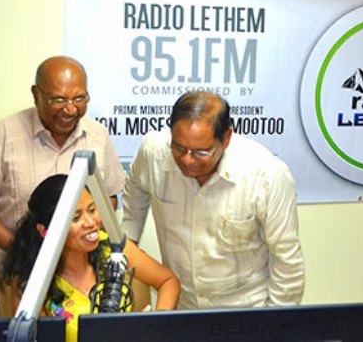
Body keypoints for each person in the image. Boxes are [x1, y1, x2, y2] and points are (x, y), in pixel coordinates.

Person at [0, 56, 125, 317]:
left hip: (80, 296)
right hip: (17, 287)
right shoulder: (1, 135)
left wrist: (83, 236)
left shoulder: (97, 135)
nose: (70, 109)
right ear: (36, 94)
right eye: (58, 100)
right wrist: (30, 253)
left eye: (79, 99)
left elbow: (110, 199)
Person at [121, 91, 305, 309]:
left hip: (245, 308)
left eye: (201, 152)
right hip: (183, 305)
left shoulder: (267, 176)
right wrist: (129, 242)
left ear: (226, 138)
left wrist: (275, 322)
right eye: (179, 148)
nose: (188, 160)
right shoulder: (153, 153)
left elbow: (287, 262)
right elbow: (135, 186)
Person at [0, 174, 179, 342]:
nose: (91, 223)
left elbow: (167, 281)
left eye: (92, 210)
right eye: (76, 218)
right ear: (45, 231)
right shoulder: (32, 284)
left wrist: (155, 325)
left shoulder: (114, 247)